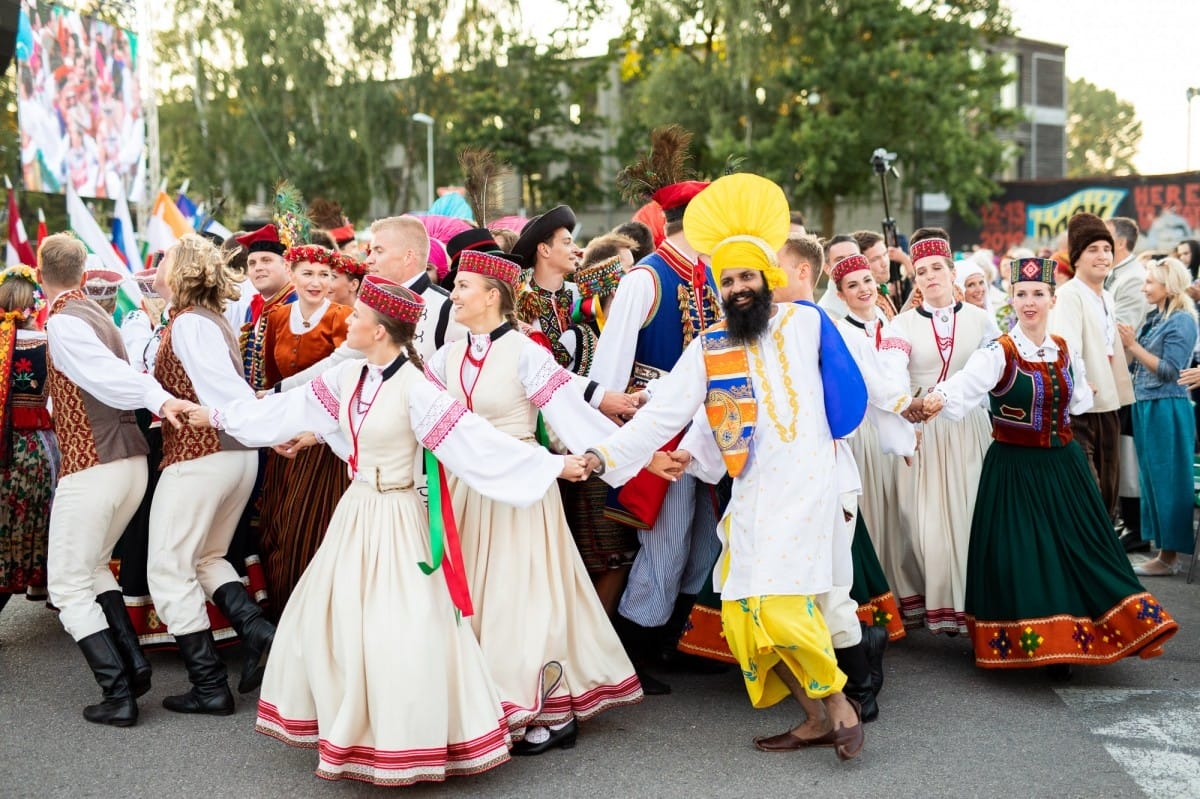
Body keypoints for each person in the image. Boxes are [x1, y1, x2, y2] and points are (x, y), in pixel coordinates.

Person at [190, 277, 594, 785]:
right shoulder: (348, 379)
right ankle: (355, 729)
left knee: (402, 629)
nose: (348, 323)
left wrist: (553, 467)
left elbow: (479, 444)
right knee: (331, 620)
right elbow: (281, 410)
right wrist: (212, 415)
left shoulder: (418, 391)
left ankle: (408, 740)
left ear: (380, 331)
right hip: (355, 512)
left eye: (356, 316)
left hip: (400, 517)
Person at [583, 174, 866, 760]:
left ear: (768, 279)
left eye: (747, 277)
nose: (738, 288)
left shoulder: (807, 323)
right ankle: (814, 716)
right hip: (753, 496)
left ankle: (838, 702)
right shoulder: (711, 346)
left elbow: (848, 406)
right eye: (727, 279)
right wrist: (602, 457)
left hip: (810, 487)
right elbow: (661, 417)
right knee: (742, 619)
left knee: (783, 608)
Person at [428, 249, 643, 754]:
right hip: (466, 485)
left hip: (521, 487)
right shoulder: (446, 355)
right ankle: (484, 704)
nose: (452, 293)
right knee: (472, 597)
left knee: (518, 597)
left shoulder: (526, 352)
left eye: (462, 286)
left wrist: (620, 457)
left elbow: (572, 414)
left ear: (492, 295)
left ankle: (544, 706)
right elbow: (417, 414)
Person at [924, 257, 1179, 672]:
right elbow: (964, 386)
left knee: (1079, 549)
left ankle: (1079, 636)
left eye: (1038, 294)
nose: (1030, 302)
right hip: (1015, 468)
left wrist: (1087, 389)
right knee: (1023, 553)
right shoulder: (999, 351)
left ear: (1051, 298)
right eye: (1022, 295)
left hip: (1063, 466)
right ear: (1011, 299)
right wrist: (933, 400)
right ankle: (1036, 640)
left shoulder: (1063, 348)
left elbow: (1078, 397)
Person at [39, 233, 191, 726]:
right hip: (128, 461)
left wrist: (158, 399)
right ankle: (132, 664)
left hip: (95, 465)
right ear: (84, 273)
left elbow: (104, 375)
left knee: (66, 585)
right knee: (97, 566)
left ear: (41, 274)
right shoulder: (99, 314)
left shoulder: (63, 320)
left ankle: (117, 692)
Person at [595, 126, 720, 694]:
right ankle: (635, 651)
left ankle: (675, 636)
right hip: (658, 427)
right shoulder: (645, 278)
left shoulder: (714, 275)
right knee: (665, 539)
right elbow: (608, 371)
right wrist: (623, 437)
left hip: (709, 427)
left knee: (705, 538)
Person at [147, 234, 275, 713]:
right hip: (230, 454)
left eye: (162, 259)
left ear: (180, 270)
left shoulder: (189, 324)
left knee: (167, 566)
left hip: (203, 455)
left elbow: (219, 390)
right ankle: (259, 632)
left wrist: (261, 426)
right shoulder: (204, 320)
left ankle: (209, 685)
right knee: (206, 559)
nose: (156, 266)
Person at [887, 229, 999, 634]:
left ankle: (975, 613)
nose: (930, 276)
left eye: (937, 268)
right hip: (924, 434)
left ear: (953, 272)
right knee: (926, 528)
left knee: (972, 521)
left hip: (970, 430)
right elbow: (891, 374)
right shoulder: (900, 327)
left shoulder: (982, 319)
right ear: (914, 279)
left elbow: (997, 373)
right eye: (921, 271)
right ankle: (940, 608)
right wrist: (905, 405)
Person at [258, 244, 352, 615]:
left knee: (308, 525)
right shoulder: (277, 317)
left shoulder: (343, 318)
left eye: (325, 275)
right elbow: (270, 375)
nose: (317, 282)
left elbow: (342, 376)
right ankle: (279, 618)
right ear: (292, 273)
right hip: (284, 431)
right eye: (308, 273)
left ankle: (312, 614)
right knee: (275, 522)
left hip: (323, 436)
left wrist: (283, 393)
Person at [1048, 213, 1135, 537]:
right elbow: (1066, 347)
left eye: (1106, 248)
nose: (1102, 256)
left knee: (1110, 490)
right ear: (1077, 257)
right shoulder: (1071, 294)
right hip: (1083, 406)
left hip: (1109, 402)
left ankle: (1103, 559)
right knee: (1089, 492)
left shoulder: (1106, 296)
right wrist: (1080, 383)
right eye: (1093, 249)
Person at [1119, 258, 1199, 576]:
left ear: (1168, 285)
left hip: (1166, 406)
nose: (1143, 287)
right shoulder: (1157, 317)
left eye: (1150, 281)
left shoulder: (1181, 320)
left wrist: (1132, 346)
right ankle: (1162, 553)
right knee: (1151, 481)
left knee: (1167, 481)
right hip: (1148, 404)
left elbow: (1169, 372)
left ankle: (1169, 557)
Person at [0, 266, 56, 615]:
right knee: (34, 524)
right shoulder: (48, 343)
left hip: (4, 449)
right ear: (34, 304)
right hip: (35, 449)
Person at [512, 205, 580, 368]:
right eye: (567, 242)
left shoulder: (581, 295)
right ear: (544, 249)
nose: (576, 249)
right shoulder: (518, 301)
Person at [235, 224, 296, 392]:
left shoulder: (297, 305)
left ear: (287, 266)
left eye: (266, 260)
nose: (258, 267)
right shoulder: (253, 306)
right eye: (252, 263)